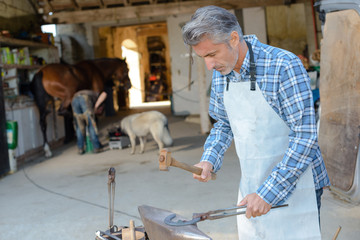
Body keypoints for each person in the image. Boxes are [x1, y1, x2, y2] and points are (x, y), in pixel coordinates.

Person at [182, 6, 330, 240]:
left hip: (298, 181)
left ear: (233, 38)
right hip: (253, 181)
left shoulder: (283, 65)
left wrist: (268, 193)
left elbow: (305, 137)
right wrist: (209, 159)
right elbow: (223, 123)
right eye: (203, 58)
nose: (209, 66)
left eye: (211, 55)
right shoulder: (222, 71)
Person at [71, 90, 107, 154]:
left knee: (79, 127)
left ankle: (80, 148)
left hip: (74, 100)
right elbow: (104, 94)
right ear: (101, 108)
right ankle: (97, 147)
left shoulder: (90, 95)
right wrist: (96, 107)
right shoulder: (96, 97)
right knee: (91, 125)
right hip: (84, 99)